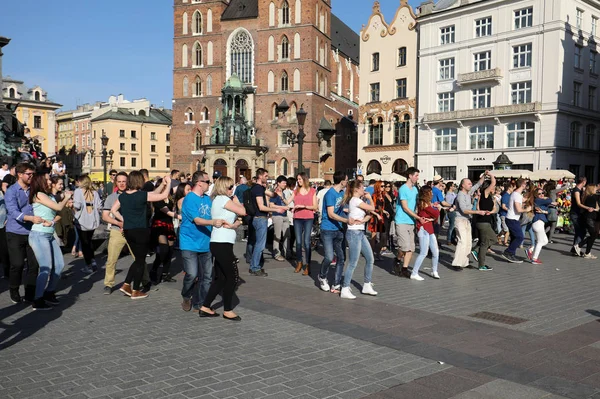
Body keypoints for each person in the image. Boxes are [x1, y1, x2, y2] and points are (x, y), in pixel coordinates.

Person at [110, 171, 171, 299]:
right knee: (140, 261)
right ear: (139, 181)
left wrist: (123, 220)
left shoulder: (123, 196)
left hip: (128, 231)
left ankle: (126, 284)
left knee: (138, 259)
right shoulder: (141, 195)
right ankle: (136, 290)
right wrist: (169, 183)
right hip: (140, 231)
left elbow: (113, 210)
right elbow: (163, 195)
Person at [200, 177, 246, 321]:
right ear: (223, 187)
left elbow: (237, 220)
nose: (232, 189)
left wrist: (234, 225)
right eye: (230, 187)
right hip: (221, 243)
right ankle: (228, 309)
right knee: (233, 276)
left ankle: (205, 306)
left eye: (232, 187)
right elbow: (243, 211)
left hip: (223, 242)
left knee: (221, 279)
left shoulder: (221, 200)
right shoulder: (222, 199)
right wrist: (237, 202)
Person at [27, 174, 72, 310]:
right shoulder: (39, 194)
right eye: (47, 179)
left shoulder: (50, 196)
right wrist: (67, 198)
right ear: (40, 181)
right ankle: (37, 299)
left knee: (59, 265)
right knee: (46, 267)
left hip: (49, 234)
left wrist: (52, 221)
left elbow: (58, 214)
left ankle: (49, 292)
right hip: (39, 234)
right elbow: (58, 208)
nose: (49, 181)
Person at [179, 171, 222, 311]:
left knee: (207, 277)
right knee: (192, 274)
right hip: (189, 242)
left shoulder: (207, 199)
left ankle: (201, 303)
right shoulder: (189, 199)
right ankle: (186, 296)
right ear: (199, 183)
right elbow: (197, 220)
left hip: (206, 242)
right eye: (207, 182)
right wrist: (213, 222)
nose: (209, 184)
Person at [5, 163, 41, 303]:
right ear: (20, 174)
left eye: (33, 174)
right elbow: (13, 211)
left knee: (34, 265)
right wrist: (30, 218)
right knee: (18, 264)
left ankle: (30, 292)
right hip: (15, 232)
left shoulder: (34, 189)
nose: (31, 176)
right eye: (29, 174)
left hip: (32, 232)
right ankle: (14, 289)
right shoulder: (12, 191)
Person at [340, 179, 377, 299]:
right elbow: (372, 208)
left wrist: (364, 219)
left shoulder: (358, 201)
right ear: (356, 189)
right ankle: (345, 288)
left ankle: (367, 284)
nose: (364, 190)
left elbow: (368, 215)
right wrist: (370, 198)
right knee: (353, 262)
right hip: (354, 233)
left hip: (360, 232)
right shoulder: (355, 200)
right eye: (362, 188)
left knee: (370, 258)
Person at [318, 171, 352, 294]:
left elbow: (343, 208)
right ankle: (322, 276)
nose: (347, 182)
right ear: (342, 180)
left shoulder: (342, 193)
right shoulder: (330, 194)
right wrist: (346, 220)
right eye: (347, 180)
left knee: (342, 257)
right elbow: (331, 214)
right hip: (328, 229)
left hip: (339, 229)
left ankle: (336, 284)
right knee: (329, 256)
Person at [249, 168, 287, 277]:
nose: (267, 177)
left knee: (258, 243)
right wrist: (276, 210)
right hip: (260, 218)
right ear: (260, 176)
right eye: (266, 176)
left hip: (260, 218)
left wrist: (277, 193)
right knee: (260, 245)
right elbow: (261, 206)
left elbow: (271, 195)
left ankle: (254, 265)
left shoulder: (260, 188)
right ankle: (255, 267)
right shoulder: (257, 189)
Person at [452, 172, 487, 270]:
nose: (471, 185)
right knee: (462, 241)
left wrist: (484, 175)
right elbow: (464, 210)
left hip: (467, 220)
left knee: (468, 243)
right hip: (460, 220)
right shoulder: (460, 195)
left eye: (470, 183)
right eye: (468, 183)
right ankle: (457, 263)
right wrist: (477, 212)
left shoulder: (469, 192)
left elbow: (478, 184)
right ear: (463, 185)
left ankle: (465, 262)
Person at [101, 172, 129, 294]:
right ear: (116, 183)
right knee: (112, 259)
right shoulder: (111, 197)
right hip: (117, 231)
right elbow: (105, 216)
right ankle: (108, 284)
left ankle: (144, 280)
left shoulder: (133, 195)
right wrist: (118, 223)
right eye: (119, 181)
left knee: (138, 258)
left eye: (124, 181)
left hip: (132, 231)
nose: (122, 184)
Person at [394, 167, 422, 278]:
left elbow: (417, 204)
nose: (417, 177)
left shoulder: (415, 189)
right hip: (401, 220)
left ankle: (404, 269)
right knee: (404, 246)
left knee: (411, 247)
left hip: (411, 221)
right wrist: (418, 217)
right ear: (410, 176)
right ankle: (397, 259)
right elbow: (405, 207)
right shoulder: (403, 189)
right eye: (416, 175)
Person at [149, 178, 177, 284]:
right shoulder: (157, 198)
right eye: (164, 185)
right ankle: (154, 270)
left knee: (170, 251)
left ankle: (165, 274)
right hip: (159, 225)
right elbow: (165, 211)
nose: (166, 188)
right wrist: (178, 216)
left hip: (169, 225)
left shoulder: (170, 197)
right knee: (164, 249)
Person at [411, 186, 441, 280]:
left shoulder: (427, 203)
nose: (432, 194)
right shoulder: (423, 203)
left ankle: (434, 270)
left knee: (435, 251)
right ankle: (414, 272)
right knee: (423, 252)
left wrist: (432, 216)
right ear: (426, 193)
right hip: (423, 229)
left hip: (429, 228)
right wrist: (438, 208)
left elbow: (432, 216)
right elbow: (435, 214)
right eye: (430, 192)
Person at [73, 175, 102, 273]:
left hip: (82, 220)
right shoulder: (95, 192)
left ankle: (88, 264)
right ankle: (93, 261)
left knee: (84, 243)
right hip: (93, 220)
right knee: (89, 241)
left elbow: (77, 206)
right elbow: (99, 206)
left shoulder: (78, 191)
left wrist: (71, 205)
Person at [291, 172, 317, 275]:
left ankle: (308, 265)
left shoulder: (312, 191)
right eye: (297, 179)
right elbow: (287, 201)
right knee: (298, 242)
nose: (298, 181)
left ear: (305, 179)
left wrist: (303, 206)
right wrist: (280, 196)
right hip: (297, 218)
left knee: (306, 242)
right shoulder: (295, 191)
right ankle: (299, 262)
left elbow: (315, 207)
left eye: (300, 179)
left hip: (308, 218)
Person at [471, 174, 497, 271]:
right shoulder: (484, 192)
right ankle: (481, 265)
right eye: (492, 187)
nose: (494, 188)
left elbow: (479, 207)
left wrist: (490, 211)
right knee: (486, 243)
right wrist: (489, 174)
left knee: (490, 240)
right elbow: (493, 182)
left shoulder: (487, 196)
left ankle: (474, 250)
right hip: (483, 223)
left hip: (484, 222)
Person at [502, 178, 531, 263]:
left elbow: (522, 201)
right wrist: (527, 210)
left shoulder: (516, 194)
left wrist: (529, 198)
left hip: (512, 218)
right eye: (525, 184)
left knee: (514, 237)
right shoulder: (517, 195)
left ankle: (511, 255)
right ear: (522, 185)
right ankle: (508, 252)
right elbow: (518, 209)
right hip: (512, 219)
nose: (526, 185)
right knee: (520, 237)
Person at [530, 187, 554, 264]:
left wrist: (544, 211)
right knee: (540, 242)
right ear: (536, 195)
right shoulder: (538, 200)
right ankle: (534, 258)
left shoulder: (541, 202)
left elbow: (549, 210)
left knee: (545, 241)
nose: (541, 195)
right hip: (538, 222)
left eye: (542, 193)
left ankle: (531, 249)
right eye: (539, 194)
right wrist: (546, 197)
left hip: (540, 223)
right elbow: (549, 200)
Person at [270, 176, 291, 261]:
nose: (285, 184)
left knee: (287, 235)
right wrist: (282, 207)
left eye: (286, 183)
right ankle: (276, 253)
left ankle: (287, 253)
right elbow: (271, 205)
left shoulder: (283, 193)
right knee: (277, 235)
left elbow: (286, 203)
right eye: (283, 183)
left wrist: (285, 204)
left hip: (285, 215)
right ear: (278, 183)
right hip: (277, 215)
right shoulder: (274, 193)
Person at [571, 177, 593, 256]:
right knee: (581, 231)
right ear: (584, 182)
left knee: (579, 232)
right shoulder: (576, 190)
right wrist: (588, 208)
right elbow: (578, 203)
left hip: (578, 214)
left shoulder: (579, 190)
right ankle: (576, 247)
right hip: (575, 213)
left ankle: (575, 248)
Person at [577, 184, 599, 259]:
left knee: (594, 235)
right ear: (592, 189)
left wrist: (595, 209)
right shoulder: (591, 197)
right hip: (590, 218)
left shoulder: (588, 197)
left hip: (590, 218)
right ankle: (579, 245)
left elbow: (596, 208)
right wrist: (595, 209)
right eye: (595, 188)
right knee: (593, 235)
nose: (596, 189)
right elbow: (592, 208)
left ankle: (587, 252)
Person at [368, 181, 386, 260]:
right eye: (382, 186)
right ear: (378, 187)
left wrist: (384, 212)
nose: (383, 187)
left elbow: (381, 208)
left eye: (384, 186)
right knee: (374, 237)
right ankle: (372, 254)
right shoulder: (374, 196)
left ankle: (377, 252)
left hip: (381, 217)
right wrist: (377, 214)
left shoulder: (383, 195)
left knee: (383, 237)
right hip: (375, 217)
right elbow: (371, 208)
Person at [382, 181, 395, 255]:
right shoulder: (382, 195)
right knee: (384, 231)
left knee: (388, 231)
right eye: (385, 186)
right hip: (384, 214)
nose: (387, 188)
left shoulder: (391, 195)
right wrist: (384, 212)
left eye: (388, 186)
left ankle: (386, 245)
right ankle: (383, 247)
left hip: (390, 215)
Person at [444, 182, 457, 246]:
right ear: (450, 187)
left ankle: (452, 238)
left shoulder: (454, 194)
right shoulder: (448, 195)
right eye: (453, 186)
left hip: (455, 210)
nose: (454, 187)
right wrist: (453, 206)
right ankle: (449, 239)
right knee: (451, 226)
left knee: (454, 226)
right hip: (451, 211)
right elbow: (448, 204)